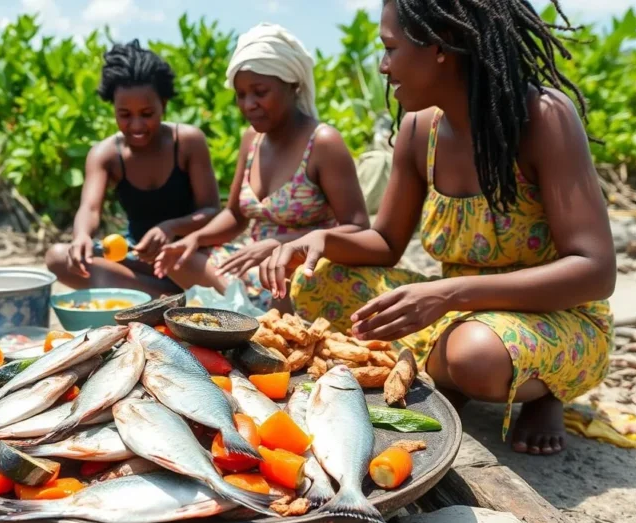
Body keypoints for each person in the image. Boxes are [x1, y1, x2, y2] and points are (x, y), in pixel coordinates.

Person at [259, 0, 616, 455]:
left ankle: (545, 392)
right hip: (459, 310)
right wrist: (318, 240)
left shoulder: (543, 117)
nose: (384, 67)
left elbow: (596, 271)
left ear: (442, 46)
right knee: (318, 282)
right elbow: (385, 243)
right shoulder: (417, 130)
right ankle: (444, 373)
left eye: (391, 48)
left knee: (473, 355)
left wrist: (449, 294)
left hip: (557, 316)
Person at [154, 23, 370, 311]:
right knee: (181, 259)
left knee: (285, 288)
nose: (248, 104)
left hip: (306, 267)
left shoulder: (323, 143)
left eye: (260, 92)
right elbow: (234, 215)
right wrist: (193, 239)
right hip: (255, 264)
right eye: (241, 94)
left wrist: (281, 243)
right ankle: (250, 309)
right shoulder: (251, 140)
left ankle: (252, 311)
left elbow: (357, 228)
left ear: (292, 84)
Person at [45, 40, 221, 297]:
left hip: (189, 255)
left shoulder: (187, 142)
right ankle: (169, 297)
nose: (136, 125)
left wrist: (170, 228)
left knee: (194, 266)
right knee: (59, 258)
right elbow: (90, 208)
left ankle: (158, 295)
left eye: (147, 113)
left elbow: (211, 211)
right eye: (125, 115)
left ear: (164, 105)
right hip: (137, 256)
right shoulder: (106, 154)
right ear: (113, 110)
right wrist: (81, 236)